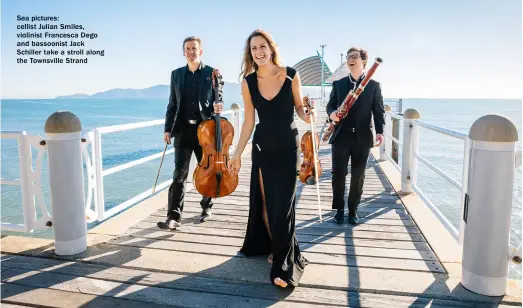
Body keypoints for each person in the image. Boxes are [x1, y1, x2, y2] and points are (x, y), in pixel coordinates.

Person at [228, 29, 311, 288]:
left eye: (262, 46)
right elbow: (249, 122)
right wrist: (237, 153)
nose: (259, 51)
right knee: (265, 204)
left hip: (288, 147)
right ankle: (274, 246)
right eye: (254, 48)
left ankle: (283, 268)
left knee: (283, 207)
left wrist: (308, 113)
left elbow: (301, 110)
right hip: (263, 149)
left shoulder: (290, 74)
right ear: (250, 53)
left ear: (271, 48)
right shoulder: (248, 82)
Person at [158, 36, 224, 230]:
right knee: (179, 175)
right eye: (188, 48)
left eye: (194, 48)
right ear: (184, 52)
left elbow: (218, 100)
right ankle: (174, 217)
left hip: (205, 131)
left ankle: (206, 207)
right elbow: (172, 104)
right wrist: (168, 129)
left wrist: (219, 106)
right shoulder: (176, 75)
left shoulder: (212, 73)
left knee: (207, 171)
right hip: (183, 130)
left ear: (200, 51)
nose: (191, 51)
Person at [326, 47, 385, 225]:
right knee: (338, 175)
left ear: (364, 62)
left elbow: (378, 110)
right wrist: (332, 114)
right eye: (348, 57)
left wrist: (380, 131)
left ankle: (353, 210)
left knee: (358, 176)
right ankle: (338, 210)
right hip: (341, 136)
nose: (350, 60)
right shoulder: (338, 84)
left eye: (354, 57)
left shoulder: (373, 86)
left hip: (362, 138)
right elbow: (330, 106)